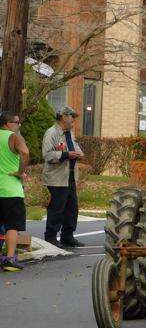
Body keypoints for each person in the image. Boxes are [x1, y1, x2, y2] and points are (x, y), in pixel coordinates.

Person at [42, 106, 84, 248]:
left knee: (72, 209)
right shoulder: (51, 133)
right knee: (57, 209)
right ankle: (51, 237)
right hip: (56, 179)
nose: (73, 120)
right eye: (72, 116)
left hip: (70, 177)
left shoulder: (70, 134)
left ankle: (68, 236)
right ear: (63, 117)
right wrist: (66, 155)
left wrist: (79, 154)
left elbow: (76, 149)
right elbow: (47, 155)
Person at [0, 111, 29, 271]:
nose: (19, 125)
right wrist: (20, 171)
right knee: (12, 226)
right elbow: (25, 152)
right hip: (10, 189)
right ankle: (10, 259)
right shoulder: (13, 137)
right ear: (7, 123)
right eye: (17, 122)